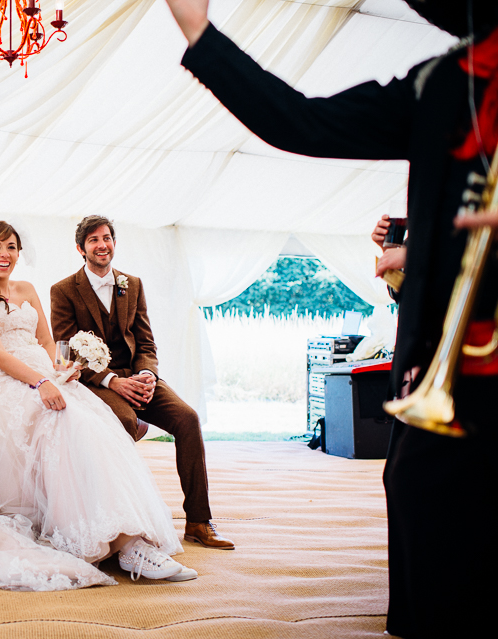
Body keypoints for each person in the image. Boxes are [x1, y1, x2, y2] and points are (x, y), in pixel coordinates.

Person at [164, 0, 498, 636]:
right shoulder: (441, 82)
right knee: (425, 506)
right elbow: (302, 122)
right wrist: (199, 34)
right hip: (448, 362)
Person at [0, 221, 197, 590]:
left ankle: (129, 536)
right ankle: (119, 544)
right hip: (8, 383)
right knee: (65, 422)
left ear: (19, 253)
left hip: (44, 376)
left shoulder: (27, 289)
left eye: (11, 247)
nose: (4, 254)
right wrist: (40, 383)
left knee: (96, 422)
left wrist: (64, 370)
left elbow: (48, 345)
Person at [50, 215, 233, 550]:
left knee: (188, 419)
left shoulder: (131, 284)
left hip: (137, 376)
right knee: (123, 422)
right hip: (96, 383)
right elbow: (64, 353)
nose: (102, 244)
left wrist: (147, 374)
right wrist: (109, 380)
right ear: (81, 248)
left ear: (114, 243)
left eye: (106, 238)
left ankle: (198, 521)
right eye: (93, 240)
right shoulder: (63, 290)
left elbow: (146, 342)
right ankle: (125, 523)